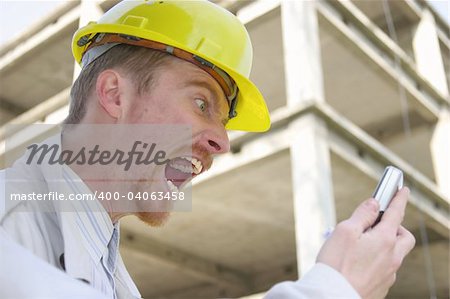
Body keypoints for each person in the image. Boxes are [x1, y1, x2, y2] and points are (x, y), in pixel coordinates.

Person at [0, 0, 415, 298]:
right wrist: (333, 287)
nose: (222, 141)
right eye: (202, 103)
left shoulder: (103, 262)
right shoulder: (9, 221)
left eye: (223, 120)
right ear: (113, 94)